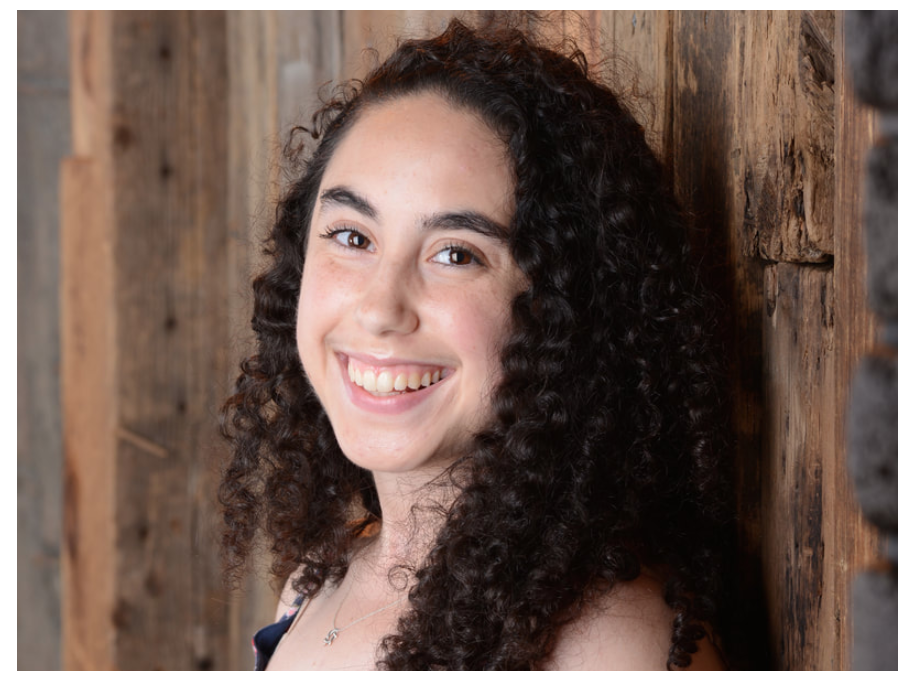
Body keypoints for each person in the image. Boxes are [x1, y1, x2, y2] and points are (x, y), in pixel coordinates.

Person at [220, 18, 730, 670]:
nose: (379, 309)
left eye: (455, 253)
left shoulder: (608, 652)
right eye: (352, 236)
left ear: (563, 311)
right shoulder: (315, 586)